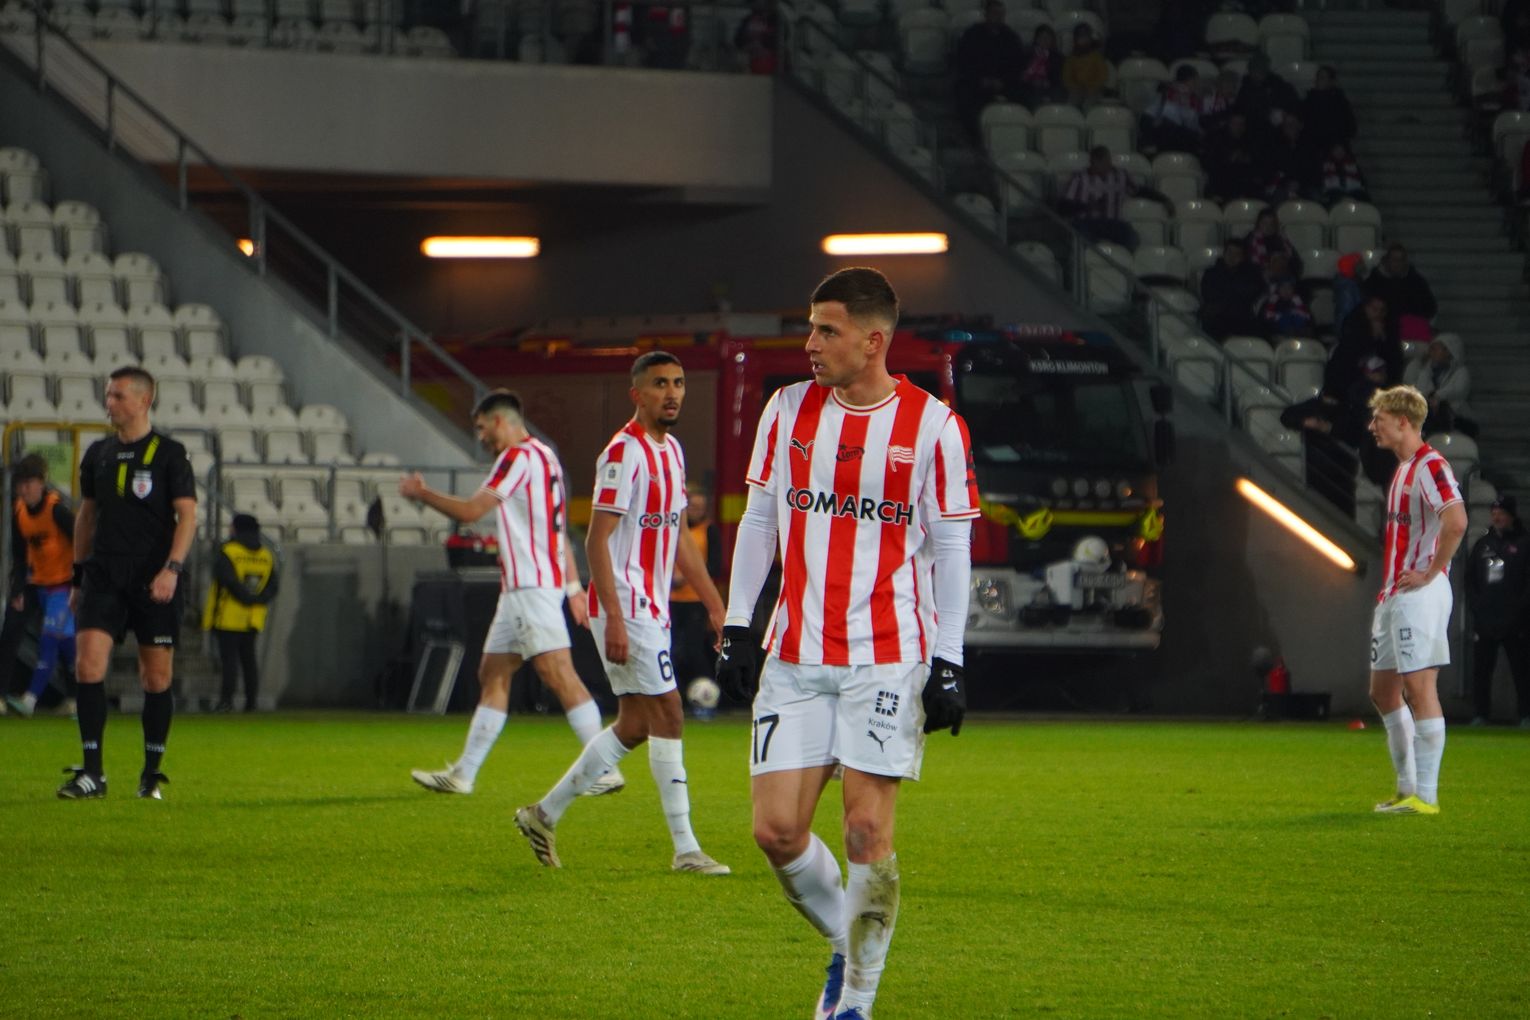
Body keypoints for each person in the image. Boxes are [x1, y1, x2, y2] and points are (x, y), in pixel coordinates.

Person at [715, 268, 976, 1020]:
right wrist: (738, 626)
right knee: (775, 832)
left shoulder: (933, 427)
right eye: (811, 327)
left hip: (888, 655)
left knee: (865, 828)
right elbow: (759, 520)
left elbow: (952, 548)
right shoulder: (786, 409)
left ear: (873, 341)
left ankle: (856, 1001)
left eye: (827, 330)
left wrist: (950, 661)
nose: (810, 343)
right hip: (795, 653)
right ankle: (849, 942)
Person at [514, 352, 731, 875]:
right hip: (627, 603)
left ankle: (543, 814)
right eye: (660, 384)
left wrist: (716, 605)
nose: (672, 392)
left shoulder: (672, 451)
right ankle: (685, 849)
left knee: (634, 724)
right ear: (637, 394)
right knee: (671, 712)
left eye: (679, 382)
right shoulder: (622, 453)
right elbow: (596, 540)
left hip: (651, 605)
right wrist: (611, 614)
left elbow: (681, 540)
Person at [400, 390, 623, 798]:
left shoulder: (515, 458)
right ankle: (464, 773)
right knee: (493, 673)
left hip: (530, 587)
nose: (481, 437)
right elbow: (557, 530)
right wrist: (573, 587)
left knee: (559, 674)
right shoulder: (547, 457)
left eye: (482, 428)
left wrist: (422, 493)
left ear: (500, 421)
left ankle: (604, 769)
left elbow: (471, 512)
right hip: (529, 587)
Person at [59, 366, 197, 800]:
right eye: (108, 395)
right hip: (103, 575)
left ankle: (150, 774)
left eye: (118, 396)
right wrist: (78, 577)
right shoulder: (98, 453)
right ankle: (92, 774)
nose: (109, 403)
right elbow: (86, 517)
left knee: (155, 678)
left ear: (144, 400)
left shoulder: (170, 454)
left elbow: (188, 516)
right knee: (87, 667)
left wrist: (172, 569)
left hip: (153, 577)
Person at [1366, 384, 1468, 816]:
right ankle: (1406, 788)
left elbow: (1456, 522)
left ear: (1403, 421)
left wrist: (1430, 572)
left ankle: (1425, 796)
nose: (1372, 427)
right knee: (1383, 692)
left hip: (1418, 593)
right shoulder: (1405, 468)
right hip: (1394, 593)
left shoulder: (1431, 465)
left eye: (1379, 420)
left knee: (1419, 687)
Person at [4, 453, 76, 718]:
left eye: (28, 484)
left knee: (53, 641)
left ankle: (38, 699)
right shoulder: (19, 512)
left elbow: (82, 545)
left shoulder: (58, 511)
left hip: (63, 587)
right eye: (20, 484)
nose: (23, 490)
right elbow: (20, 555)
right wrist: (17, 589)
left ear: (41, 483)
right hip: (37, 584)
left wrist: (80, 584)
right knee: (12, 629)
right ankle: (3, 695)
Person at [201, 513, 278, 713]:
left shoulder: (229, 551)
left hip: (228, 614)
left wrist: (245, 597)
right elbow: (273, 585)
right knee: (249, 660)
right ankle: (251, 702)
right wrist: (257, 599)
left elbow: (227, 580)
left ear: (236, 529)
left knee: (230, 661)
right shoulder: (266, 555)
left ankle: (226, 701)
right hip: (253, 616)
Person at [1466, 495, 1530, 727]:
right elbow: (1470, 580)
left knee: (1521, 670)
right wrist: (1478, 608)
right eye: (1494, 513)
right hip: (1486, 620)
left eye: (1501, 513)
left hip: (1516, 621)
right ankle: (1481, 714)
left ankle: (1525, 714)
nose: (1497, 517)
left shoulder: (1524, 543)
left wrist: (1519, 610)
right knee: (1482, 670)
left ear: (1511, 515)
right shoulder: (1483, 544)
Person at [1060, 145, 1170, 250]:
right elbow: (1064, 206)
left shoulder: (1120, 175)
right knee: (1082, 237)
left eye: (1106, 162)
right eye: (1100, 163)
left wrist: (1163, 199)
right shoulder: (1079, 178)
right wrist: (1086, 207)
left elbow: (1139, 191)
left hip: (1113, 223)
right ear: (1092, 162)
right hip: (1087, 222)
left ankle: (1125, 260)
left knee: (1132, 238)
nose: (1105, 166)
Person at [669, 489, 722, 704]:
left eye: (700, 507)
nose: (696, 511)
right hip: (670, 599)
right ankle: (675, 696)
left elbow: (715, 565)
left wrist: (688, 576)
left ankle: (708, 694)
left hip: (696, 600)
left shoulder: (708, 530)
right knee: (671, 649)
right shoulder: (672, 527)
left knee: (694, 649)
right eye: (692, 506)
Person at [953, 0, 1027, 142]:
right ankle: (976, 139)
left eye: (1001, 14)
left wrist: (1003, 81)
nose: (998, 17)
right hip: (977, 83)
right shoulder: (972, 35)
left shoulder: (1011, 37)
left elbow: (1018, 65)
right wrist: (981, 80)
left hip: (1004, 84)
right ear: (986, 14)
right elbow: (964, 62)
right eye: (995, 13)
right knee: (964, 95)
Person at [1403, 333, 1476, 438]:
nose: (1431, 352)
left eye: (1436, 349)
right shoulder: (1427, 369)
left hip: (1456, 418)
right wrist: (1424, 368)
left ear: (1449, 351)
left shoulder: (1461, 371)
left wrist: (1438, 396)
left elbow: (1458, 390)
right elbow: (1419, 390)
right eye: (1432, 349)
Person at [1362, 243, 1437, 338]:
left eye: (1401, 260)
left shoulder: (1416, 282)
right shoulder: (1373, 281)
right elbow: (1365, 307)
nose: (1397, 263)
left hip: (1409, 332)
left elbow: (1430, 307)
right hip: (1381, 331)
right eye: (1394, 260)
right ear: (1387, 260)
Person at [1199, 237, 1266, 340]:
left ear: (1243, 257)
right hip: (1217, 316)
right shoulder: (1211, 273)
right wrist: (1235, 292)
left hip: (1241, 317)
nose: (1232, 257)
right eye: (1229, 252)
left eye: (1237, 254)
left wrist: (1232, 292)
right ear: (1224, 253)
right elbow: (1208, 294)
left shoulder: (1251, 274)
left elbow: (1255, 292)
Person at [1301, 65, 1357, 152]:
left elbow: (1349, 126)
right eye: (1318, 77)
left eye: (1322, 78)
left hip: (1333, 149)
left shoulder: (1339, 102)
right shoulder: (1309, 100)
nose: (1318, 80)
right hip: (1313, 148)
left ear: (1331, 81)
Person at [1062, 22, 1109, 106]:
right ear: (1076, 39)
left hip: (1094, 90)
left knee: (1089, 104)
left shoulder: (1096, 56)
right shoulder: (1071, 58)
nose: (1083, 39)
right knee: (1071, 104)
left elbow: (1102, 75)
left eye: (1085, 36)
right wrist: (1075, 87)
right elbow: (1067, 76)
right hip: (1076, 90)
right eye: (1080, 36)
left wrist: (1092, 88)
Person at [1017, 24, 1063, 108]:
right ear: (1036, 39)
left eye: (1048, 38)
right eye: (1042, 37)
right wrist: (1031, 81)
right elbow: (1020, 73)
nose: (1045, 40)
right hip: (1029, 86)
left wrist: (1046, 82)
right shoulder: (1026, 54)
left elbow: (1058, 78)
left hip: (1049, 87)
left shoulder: (1057, 57)